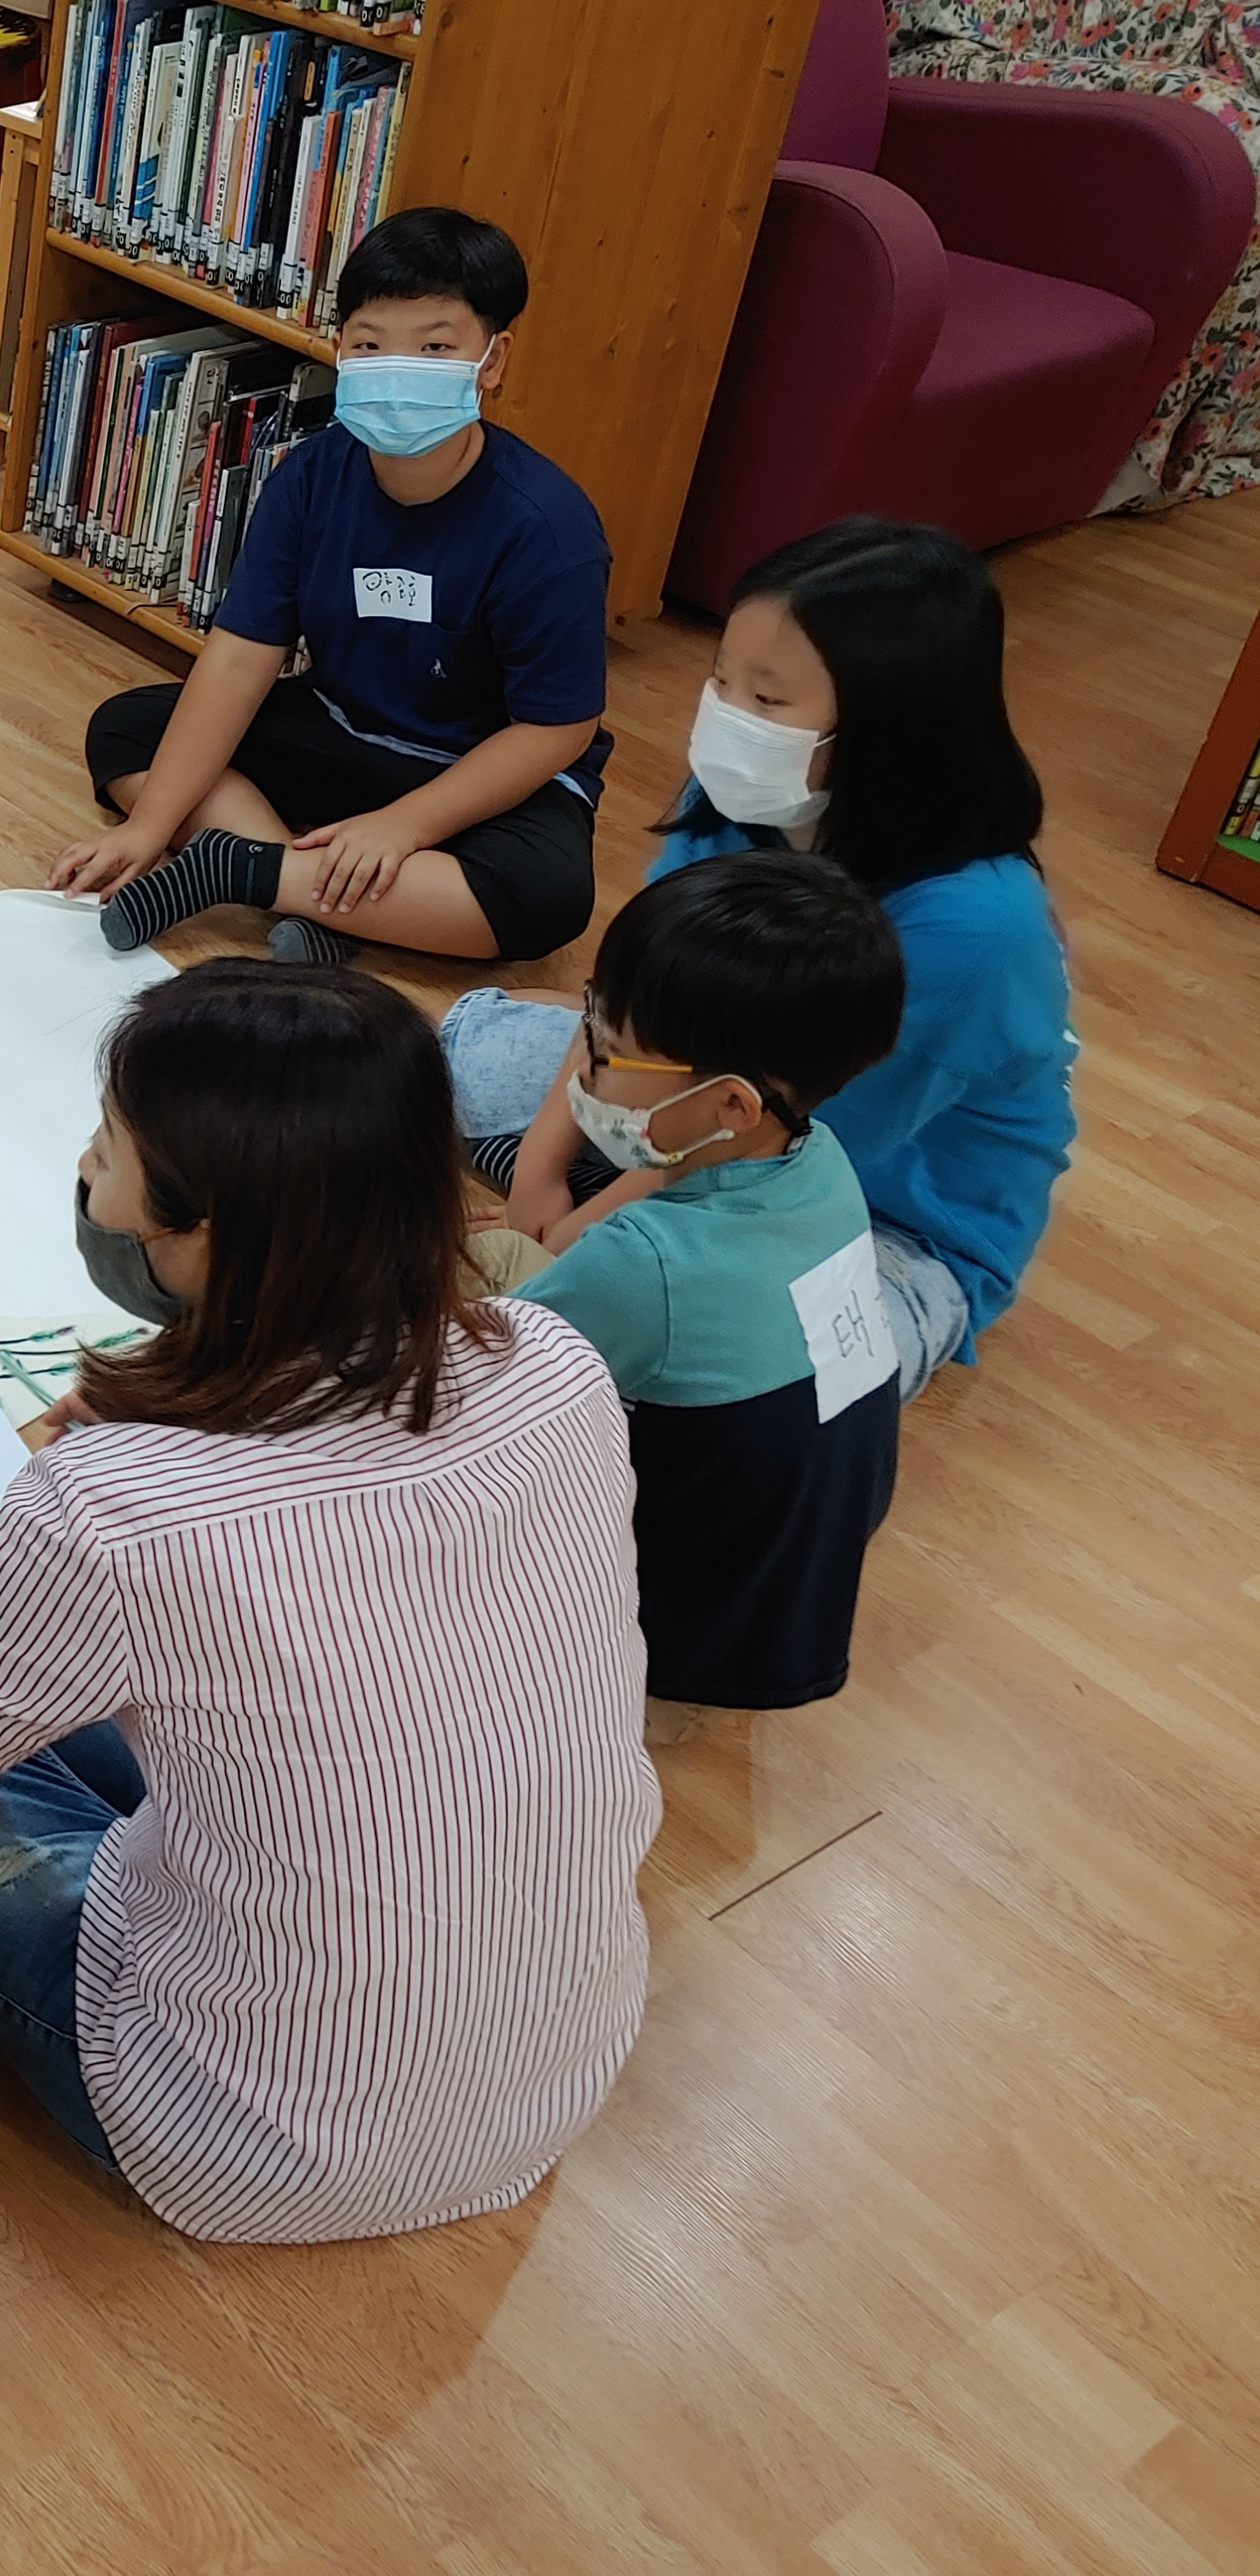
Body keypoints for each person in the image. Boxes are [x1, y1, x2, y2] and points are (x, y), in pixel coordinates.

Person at [0, 963, 659, 2243]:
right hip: (556, 2072)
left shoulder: (109, 1507)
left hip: (244, 2137)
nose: (85, 1174)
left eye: (106, 1151)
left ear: (207, 1236)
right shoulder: (558, 1365)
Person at [445, 516, 1072, 1396]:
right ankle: (597, 1182)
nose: (729, 718)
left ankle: (613, 1199)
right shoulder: (747, 794)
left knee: (766, 1379)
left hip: (866, 1214)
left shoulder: (975, 932)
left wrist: (586, 1239)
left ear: (891, 725)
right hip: (697, 1101)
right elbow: (627, 1001)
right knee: (466, 1053)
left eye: (768, 702)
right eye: (720, 680)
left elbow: (780, 1141)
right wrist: (540, 1179)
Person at [53, 207, 610, 966]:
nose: (398, 367)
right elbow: (240, 656)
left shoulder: (547, 526)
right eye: (371, 345)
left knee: (547, 895)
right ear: (341, 347)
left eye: (435, 347)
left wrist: (405, 826)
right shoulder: (311, 477)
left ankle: (248, 870)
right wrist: (148, 829)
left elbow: (557, 729)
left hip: (476, 773)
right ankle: (319, 895)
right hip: (342, 730)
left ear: (493, 359)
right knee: (127, 728)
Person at [489, 857, 909, 1740]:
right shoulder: (818, 1158)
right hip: (790, 1572)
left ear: (729, 1107)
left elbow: (472, 1398)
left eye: (606, 1047)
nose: (582, 1064)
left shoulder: (641, 1267)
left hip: (678, 1613)